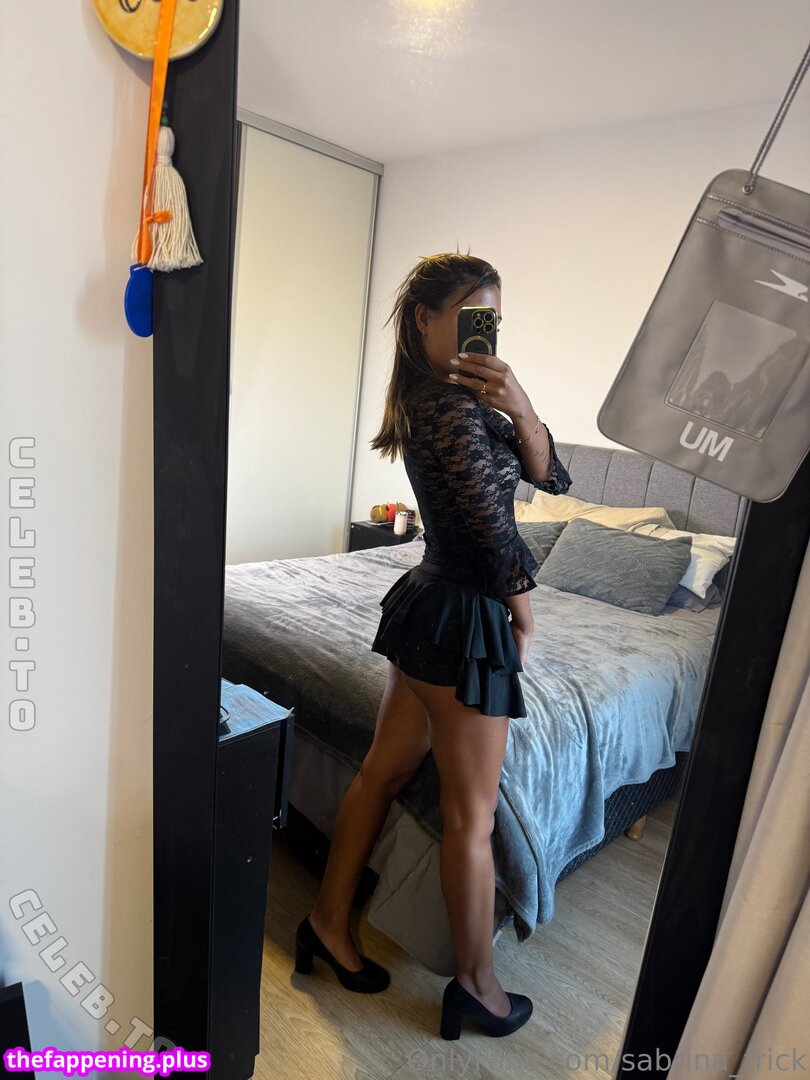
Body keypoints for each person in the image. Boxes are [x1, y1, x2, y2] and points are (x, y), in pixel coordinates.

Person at [294, 253, 572, 1039]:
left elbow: (551, 478)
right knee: (470, 819)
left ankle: (327, 923)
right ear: (424, 318)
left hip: (428, 607)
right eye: (473, 315)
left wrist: (520, 404)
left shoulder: (455, 398)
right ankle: (478, 987)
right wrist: (524, 611)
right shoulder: (445, 405)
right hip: (468, 615)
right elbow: (490, 528)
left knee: (382, 774)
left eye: (494, 321)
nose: (486, 332)